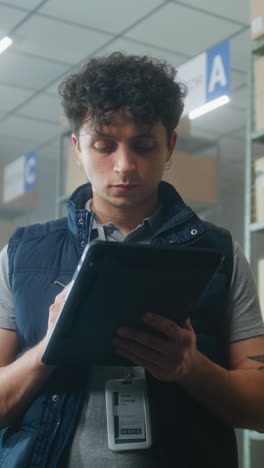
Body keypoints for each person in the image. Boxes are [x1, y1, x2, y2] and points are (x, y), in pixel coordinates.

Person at [0, 52, 264, 468]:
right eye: (104, 146)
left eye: (143, 146)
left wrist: (190, 368)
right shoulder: (22, 254)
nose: (124, 166)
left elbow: (259, 408)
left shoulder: (220, 254)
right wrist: (49, 349)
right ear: (77, 147)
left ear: (170, 145)